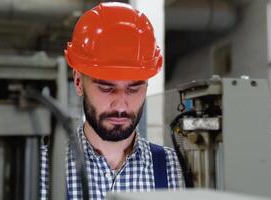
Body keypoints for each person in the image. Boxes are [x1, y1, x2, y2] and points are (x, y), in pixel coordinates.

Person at [40, 2, 182, 199]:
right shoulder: (41, 170)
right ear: (79, 82)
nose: (121, 104)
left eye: (133, 88)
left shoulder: (175, 171)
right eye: (106, 88)